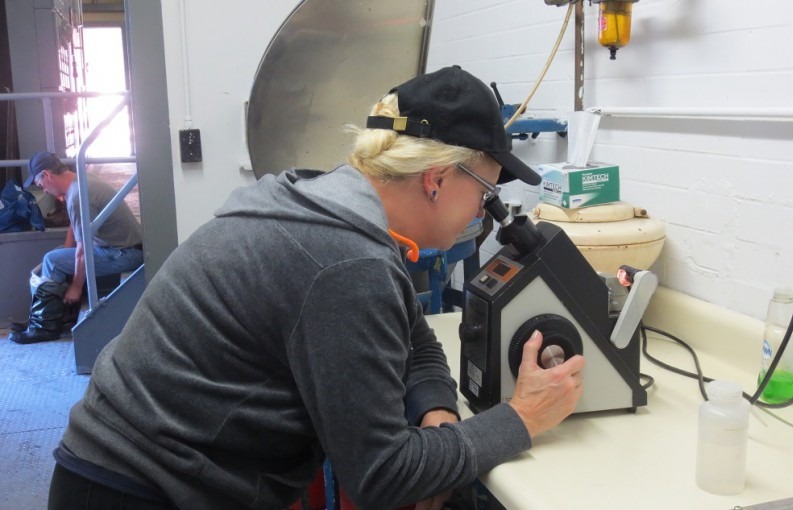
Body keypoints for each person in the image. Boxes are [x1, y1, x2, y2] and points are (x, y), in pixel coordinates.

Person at [47, 66, 585, 510]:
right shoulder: (345, 261)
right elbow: (383, 475)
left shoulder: (327, 206)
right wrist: (522, 418)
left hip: (133, 466)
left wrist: (435, 411)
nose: (485, 210)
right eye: (487, 190)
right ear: (437, 179)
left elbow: (416, 340)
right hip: (137, 490)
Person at [9, 152, 144, 344]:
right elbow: (76, 226)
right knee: (57, 256)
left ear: (47, 175)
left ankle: (44, 327)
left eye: (41, 185)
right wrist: (64, 253)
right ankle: (51, 317)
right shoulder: (80, 180)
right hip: (123, 245)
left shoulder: (77, 196)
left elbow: (82, 251)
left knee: (52, 261)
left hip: (125, 253)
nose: (45, 191)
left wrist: (76, 286)